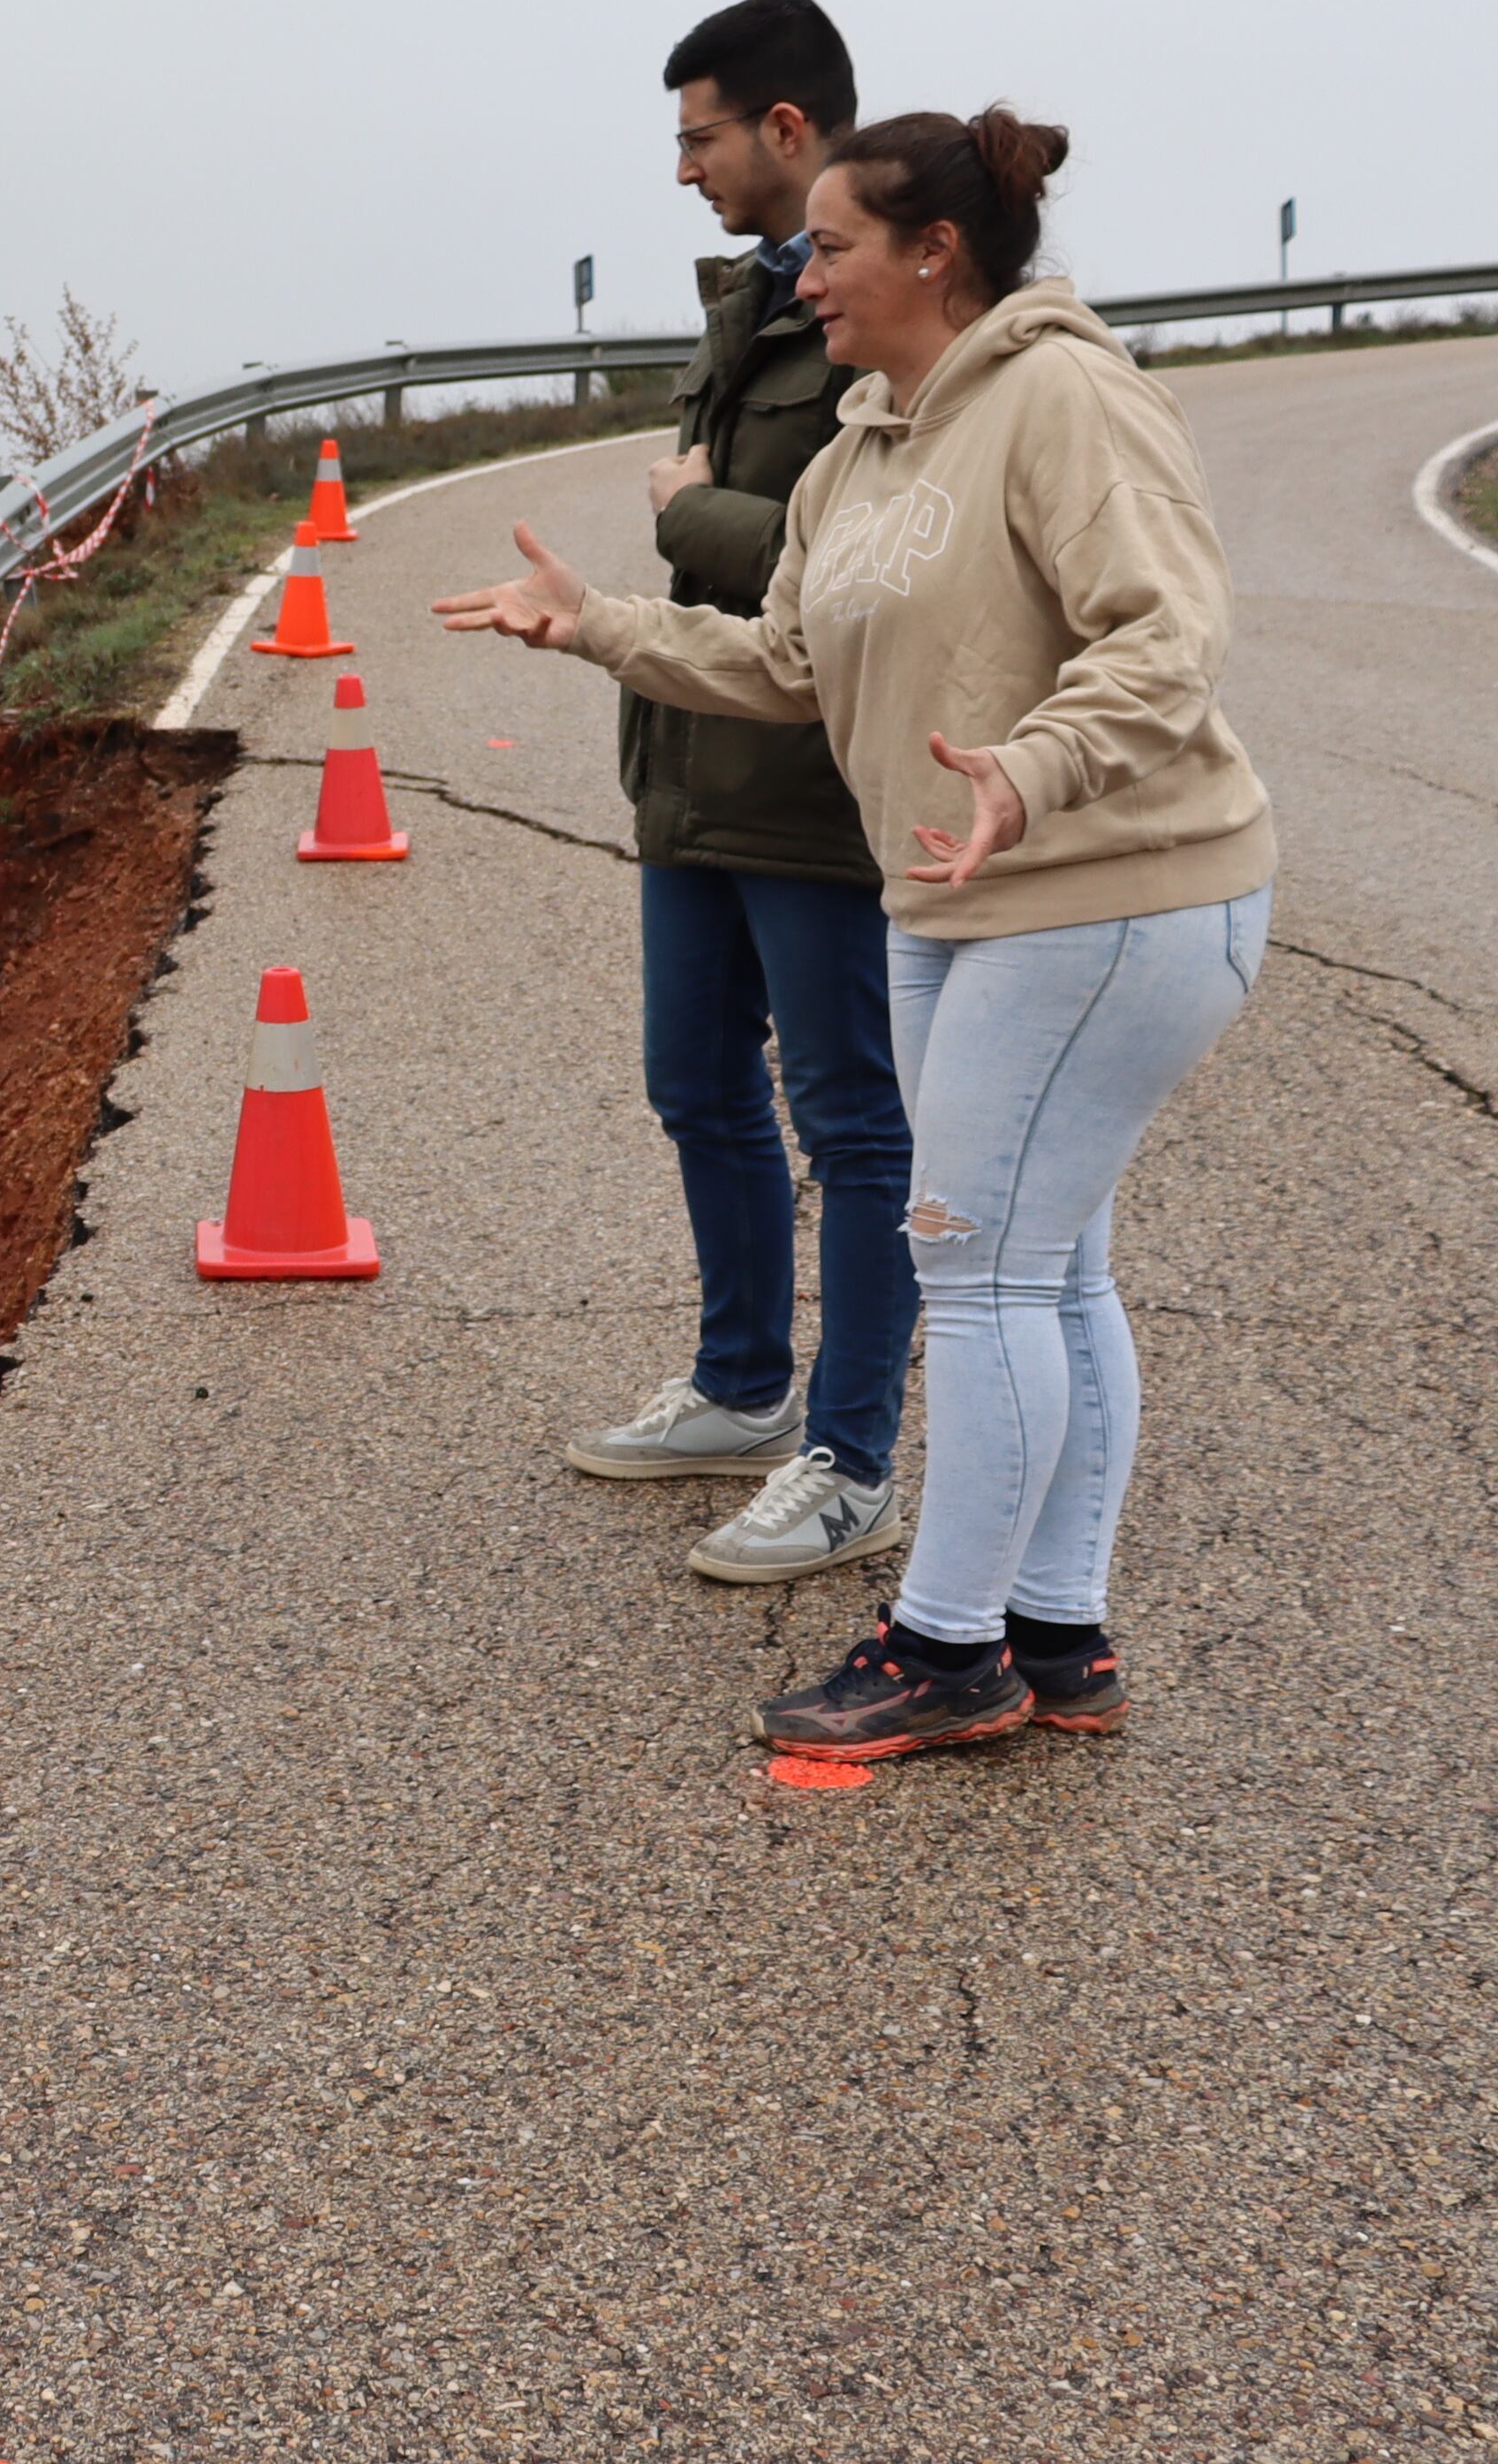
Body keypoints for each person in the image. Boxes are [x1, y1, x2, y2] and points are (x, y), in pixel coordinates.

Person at [438, 106, 1275, 1759]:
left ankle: (948, 1646)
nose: (801, 277)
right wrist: (594, 625)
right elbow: (786, 668)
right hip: (951, 896)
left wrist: (1031, 771)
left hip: (1115, 892)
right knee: (1052, 1265)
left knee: (970, 1271)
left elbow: (1167, 633)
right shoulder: (861, 448)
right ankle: (1058, 1634)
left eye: (828, 247)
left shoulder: (1064, 395)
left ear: (932, 252)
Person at [563, 0, 918, 1600]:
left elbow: (850, 562)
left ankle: (847, 1459)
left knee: (849, 1124)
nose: (685, 168)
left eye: (699, 135)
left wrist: (692, 511)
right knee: (695, 1085)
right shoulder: (756, 300)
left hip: (807, 780)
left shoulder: (893, 308)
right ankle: (740, 1383)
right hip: (693, 764)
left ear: (787, 128)